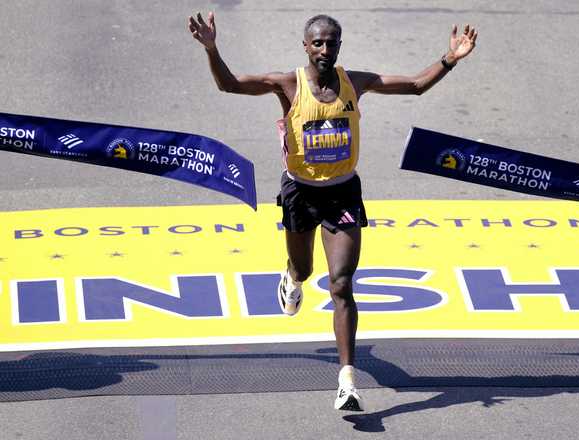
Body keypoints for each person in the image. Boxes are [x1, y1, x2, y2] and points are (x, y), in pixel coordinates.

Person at [188, 12, 477, 411]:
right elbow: (230, 84)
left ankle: (347, 381)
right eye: (318, 43)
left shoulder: (353, 83)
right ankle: (291, 276)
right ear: (305, 46)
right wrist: (211, 48)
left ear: (340, 46)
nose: (325, 49)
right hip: (300, 193)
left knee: (341, 284)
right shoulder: (287, 84)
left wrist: (450, 58)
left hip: (342, 193)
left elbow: (414, 86)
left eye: (332, 43)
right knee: (305, 270)